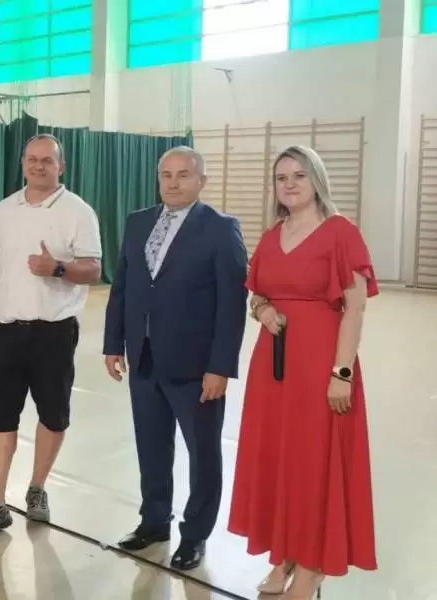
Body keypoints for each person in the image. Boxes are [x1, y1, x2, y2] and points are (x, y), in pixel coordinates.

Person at [228, 145, 378, 599]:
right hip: (272, 368)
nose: (290, 184)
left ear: (317, 180)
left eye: (299, 175)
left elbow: (355, 307)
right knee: (280, 459)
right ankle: (285, 553)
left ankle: (313, 565)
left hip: (321, 364)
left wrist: (341, 372)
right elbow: (256, 293)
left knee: (314, 461)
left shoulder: (340, 232)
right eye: (282, 177)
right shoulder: (272, 236)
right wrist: (263, 310)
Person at [102, 146, 248, 571]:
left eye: (183, 174)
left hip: (196, 367)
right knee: (151, 446)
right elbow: (123, 287)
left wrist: (220, 366)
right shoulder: (138, 222)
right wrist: (113, 343)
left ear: (201, 181)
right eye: (166, 174)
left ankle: (195, 534)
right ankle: (154, 522)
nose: (173, 182)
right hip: (144, 359)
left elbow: (232, 305)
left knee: (203, 454)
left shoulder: (220, 229)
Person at [0, 134, 102, 543]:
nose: (38, 166)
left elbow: (93, 270)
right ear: (22, 164)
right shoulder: (6, 208)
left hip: (54, 333)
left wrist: (58, 269)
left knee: (53, 415)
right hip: (5, 331)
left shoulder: (78, 211)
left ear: (61, 166)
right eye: (32, 159)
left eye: (47, 160)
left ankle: (37, 486)